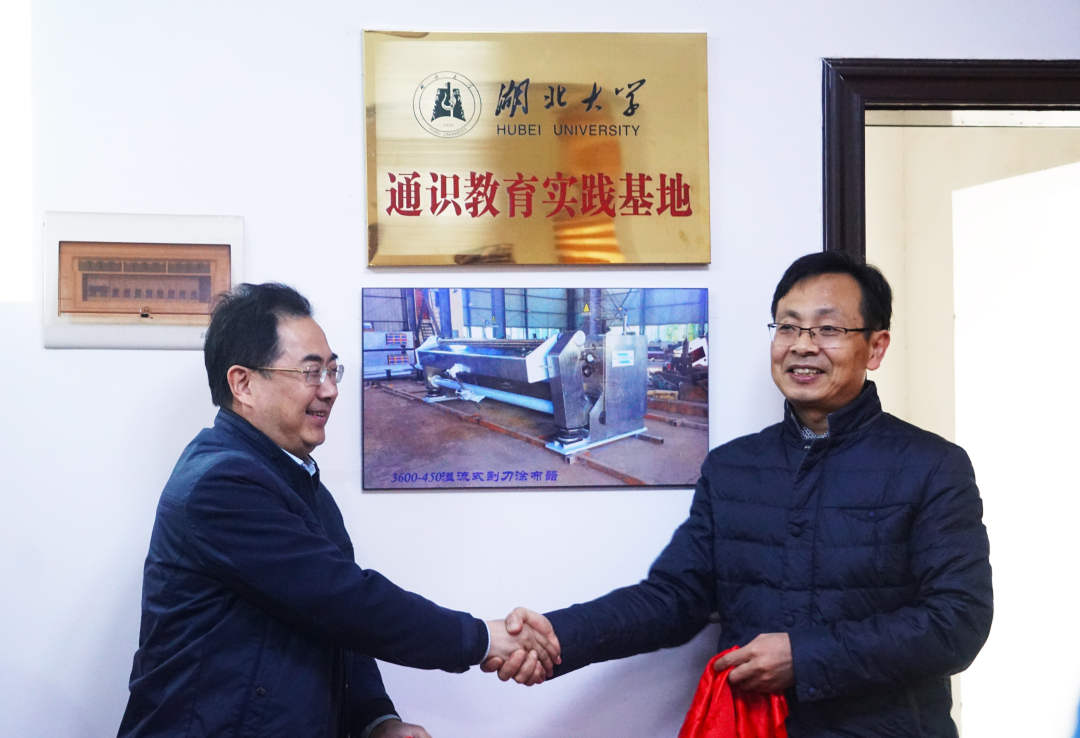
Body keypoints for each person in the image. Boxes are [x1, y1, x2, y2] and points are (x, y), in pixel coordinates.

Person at [494, 252, 993, 736]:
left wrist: (805, 657)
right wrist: (558, 636)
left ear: (876, 347)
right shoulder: (733, 468)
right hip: (753, 727)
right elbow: (674, 598)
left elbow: (958, 622)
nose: (802, 345)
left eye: (828, 329)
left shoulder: (932, 466)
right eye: (788, 327)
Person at [118, 283, 558, 738]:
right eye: (311, 372)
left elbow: (336, 620)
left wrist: (377, 720)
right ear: (243, 384)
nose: (329, 390)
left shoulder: (297, 479)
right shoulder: (221, 486)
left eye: (332, 370)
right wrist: (481, 639)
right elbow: (346, 601)